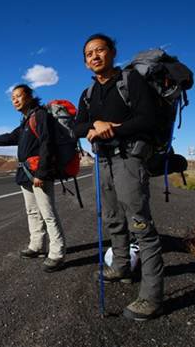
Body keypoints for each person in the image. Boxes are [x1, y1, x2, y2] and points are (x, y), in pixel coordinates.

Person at [74, 33, 164, 321]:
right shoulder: (87, 94)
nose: (95, 56)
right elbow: (77, 127)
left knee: (140, 224)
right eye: (89, 54)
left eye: (100, 50)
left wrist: (112, 128)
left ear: (112, 53)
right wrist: (95, 124)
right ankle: (121, 266)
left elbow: (147, 119)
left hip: (128, 159)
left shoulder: (130, 81)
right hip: (102, 161)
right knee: (112, 217)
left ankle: (151, 296)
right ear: (86, 62)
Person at [0, 84, 66, 272]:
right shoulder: (26, 121)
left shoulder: (40, 115)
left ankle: (57, 253)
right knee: (32, 212)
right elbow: (10, 138)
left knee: (48, 214)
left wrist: (42, 173)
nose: (15, 100)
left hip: (38, 174)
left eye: (18, 96)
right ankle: (36, 246)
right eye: (12, 98)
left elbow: (47, 144)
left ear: (29, 96)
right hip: (26, 173)